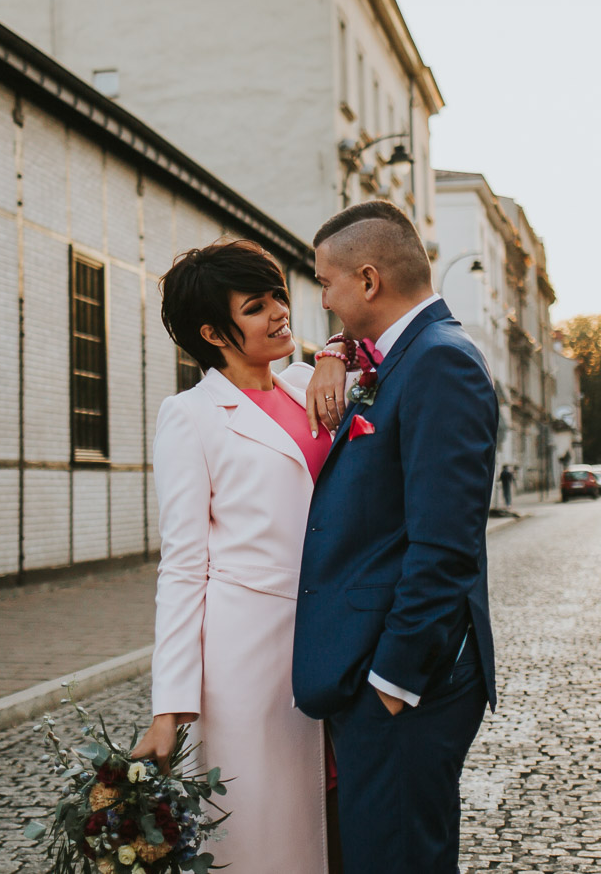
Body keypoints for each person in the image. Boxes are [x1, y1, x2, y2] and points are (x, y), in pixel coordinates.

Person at [293, 200, 499, 874]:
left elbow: (446, 545)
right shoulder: (404, 355)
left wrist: (393, 680)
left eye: (327, 283)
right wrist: (334, 350)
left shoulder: (442, 364)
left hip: (408, 686)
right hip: (380, 676)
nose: (323, 299)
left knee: (399, 858)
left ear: (370, 280)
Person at [132, 239, 340, 873]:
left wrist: (333, 352)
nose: (279, 311)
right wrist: (170, 707)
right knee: (264, 835)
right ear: (211, 333)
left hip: (333, 640)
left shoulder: (309, 382)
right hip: (247, 656)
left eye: (278, 295)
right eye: (256, 305)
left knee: (334, 820)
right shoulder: (190, 417)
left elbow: (378, 355)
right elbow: (182, 564)